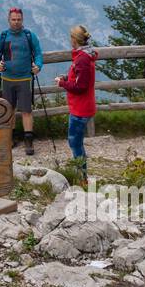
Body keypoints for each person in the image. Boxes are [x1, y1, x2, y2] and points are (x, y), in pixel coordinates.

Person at [0, 7, 43, 155]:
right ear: (9, 20)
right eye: (13, 19)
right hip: (7, 78)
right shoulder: (2, 36)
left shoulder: (29, 35)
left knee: (27, 110)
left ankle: (28, 140)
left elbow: (39, 53)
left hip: (25, 78)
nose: (16, 22)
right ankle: (11, 137)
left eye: (18, 19)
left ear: (22, 20)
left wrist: (38, 66)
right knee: (10, 110)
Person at [55, 24, 97, 181]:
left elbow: (80, 87)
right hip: (82, 106)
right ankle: (82, 174)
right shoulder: (85, 56)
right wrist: (67, 78)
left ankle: (82, 178)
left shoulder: (82, 59)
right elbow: (80, 80)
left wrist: (62, 83)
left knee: (75, 143)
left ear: (74, 39)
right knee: (77, 142)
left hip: (80, 108)